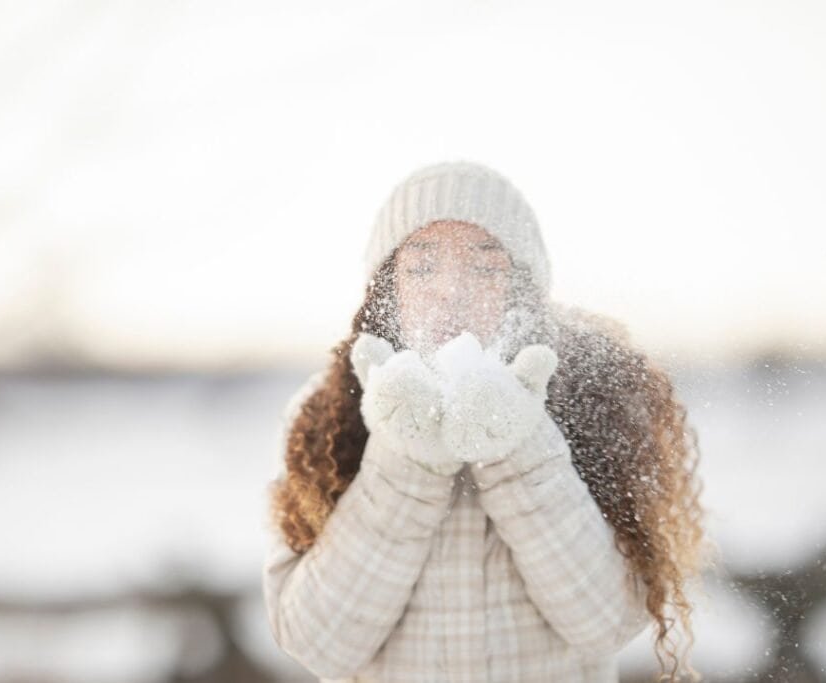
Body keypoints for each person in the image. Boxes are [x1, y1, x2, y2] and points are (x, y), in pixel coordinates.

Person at [261, 160, 716, 682]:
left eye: (484, 267)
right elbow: (315, 643)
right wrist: (405, 457)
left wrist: (515, 442)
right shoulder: (323, 419)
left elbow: (608, 624)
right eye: (422, 267)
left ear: (521, 288)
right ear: (386, 289)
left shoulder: (596, 399)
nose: (450, 291)